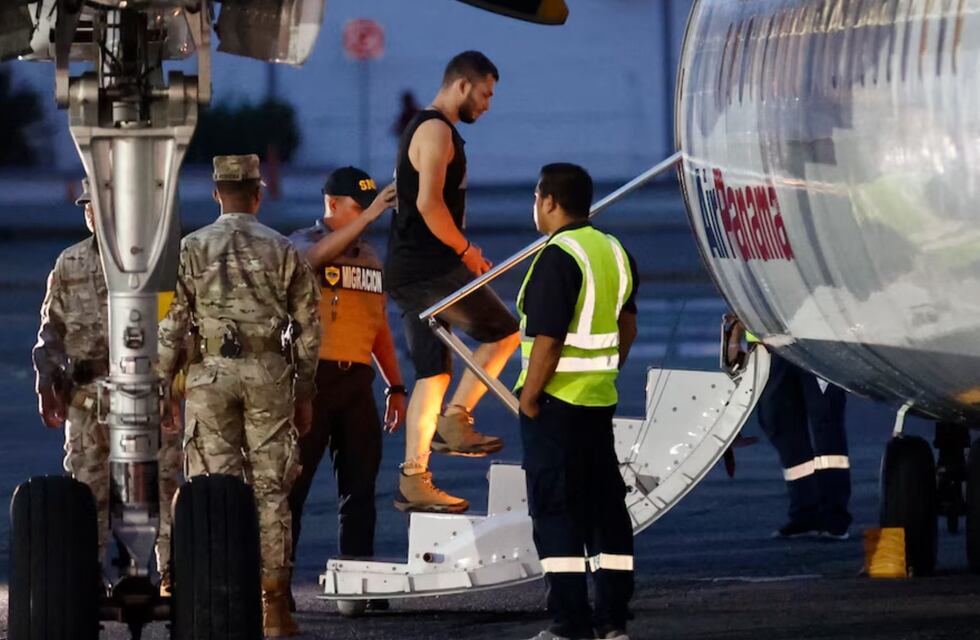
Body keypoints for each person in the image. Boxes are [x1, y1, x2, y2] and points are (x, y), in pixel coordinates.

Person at [158, 155, 320, 637]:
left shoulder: (190, 248)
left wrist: (166, 386)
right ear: (258, 191)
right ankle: (274, 607)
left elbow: (172, 324)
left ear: (215, 194)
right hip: (269, 373)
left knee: (212, 491)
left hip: (209, 376)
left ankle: (218, 594)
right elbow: (309, 327)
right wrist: (304, 389)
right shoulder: (283, 249)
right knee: (271, 491)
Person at [385, 50, 521, 513]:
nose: (486, 105)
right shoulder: (437, 130)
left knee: (433, 373)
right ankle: (455, 422)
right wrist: (466, 251)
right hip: (430, 269)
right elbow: (428, 204)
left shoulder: (425, 129)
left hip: (411, 269)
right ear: (462, 85)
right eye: (485, 94)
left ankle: (414, 477)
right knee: (504, 332)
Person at [33, 178, 182, 592]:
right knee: (87, 490)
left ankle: (171, 573)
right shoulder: (70, 263)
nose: (92, 213)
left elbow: (178, 327)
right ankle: (88, 578)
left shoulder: (155, 262)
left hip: (144, 390)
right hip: (87, 397)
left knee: (162, 487)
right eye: (88, 206)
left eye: (101, 205)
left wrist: (173, 387)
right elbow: (51, 330)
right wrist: (46, 380)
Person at [515, 163, 638, 640]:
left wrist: (529, 398)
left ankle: (570, 623)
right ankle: (612, 621)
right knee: (606, 510)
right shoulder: (614, 250)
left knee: (556, 512)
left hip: (555, 407)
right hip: (598, 401)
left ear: (548, 201)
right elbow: (628, 326)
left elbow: (547, 341)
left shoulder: (556, 257)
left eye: (536, 197)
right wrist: (605, 368)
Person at [286, 167, 403, 607]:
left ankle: (357, 582)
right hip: (312, 380)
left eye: (370, 207)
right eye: (358, 207)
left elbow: (378, 326)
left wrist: (396, 386)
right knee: (292, 488)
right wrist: (369, 216)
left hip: (356, 382)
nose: (368, 217)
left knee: (360, 489)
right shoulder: (300, 241)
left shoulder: (369, 256)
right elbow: (312, 262)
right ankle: (277, 587)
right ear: (332, 204)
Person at [732, 321, 852, 540]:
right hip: (769, 344)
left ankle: (834, 517)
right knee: (779, 423)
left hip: (818, 342)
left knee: (826, 427)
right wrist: (735, 334)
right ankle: (806, 513)